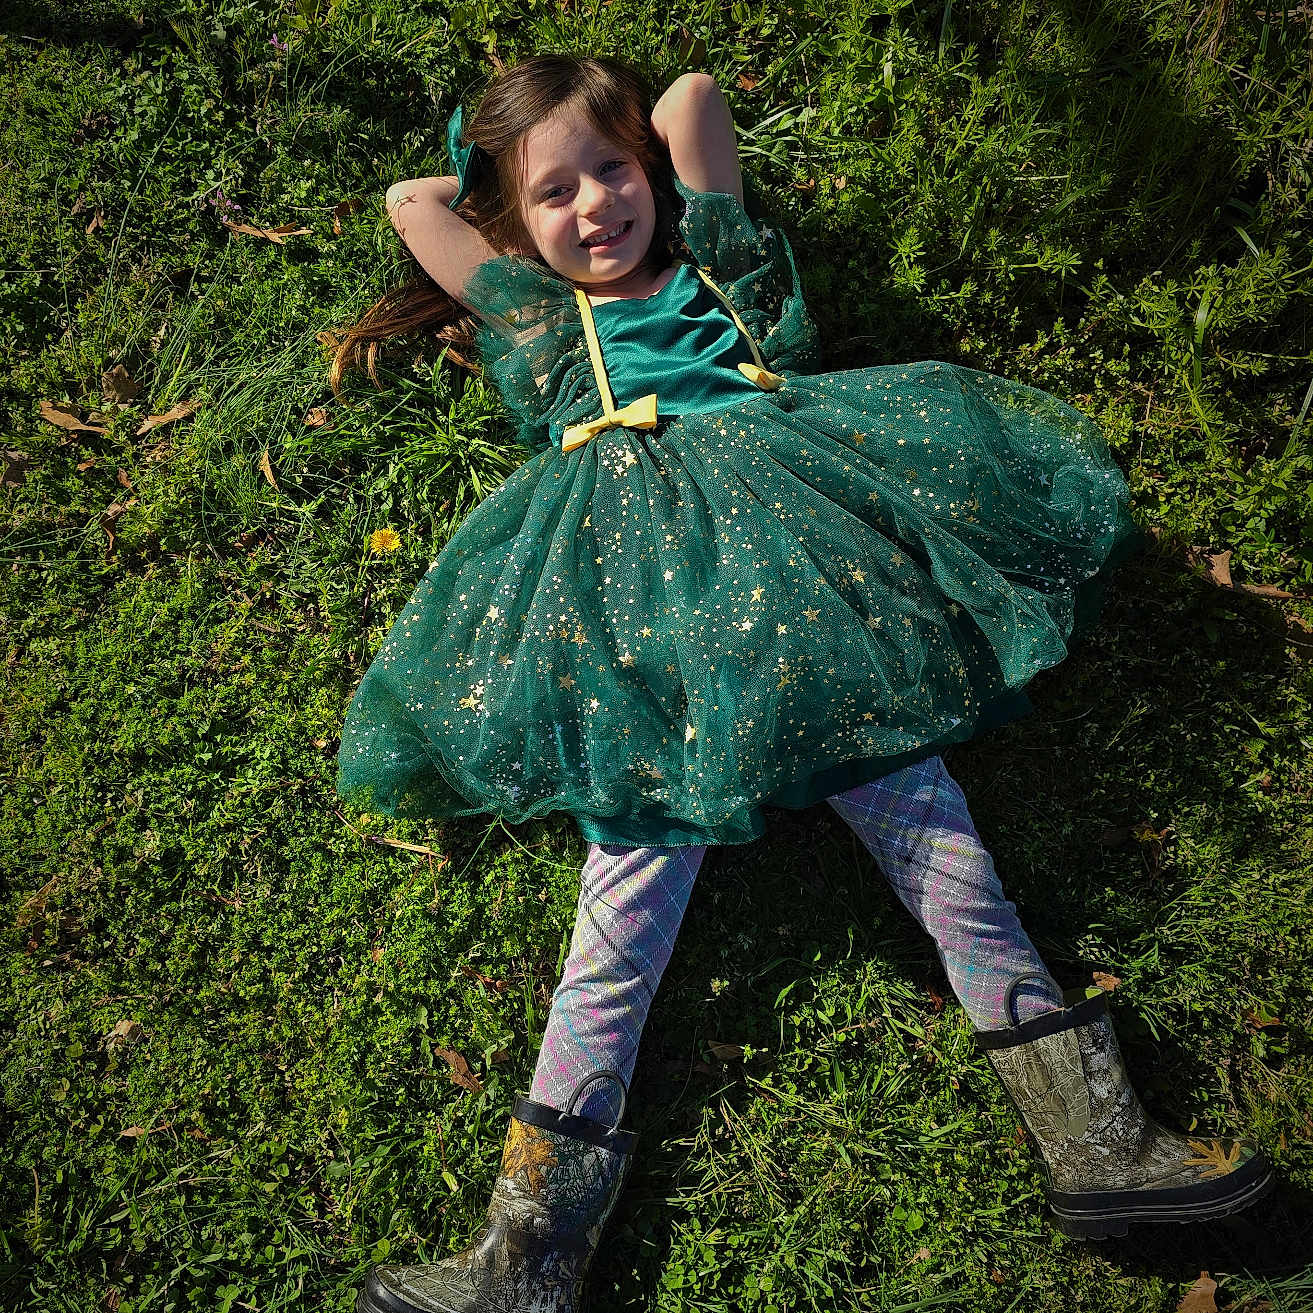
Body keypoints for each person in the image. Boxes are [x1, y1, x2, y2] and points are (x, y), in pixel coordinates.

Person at [329, 55, 1272, 1313]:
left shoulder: (722, 261)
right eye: (553, 196)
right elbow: (411, 205)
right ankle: (527, 1250)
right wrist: (489, 177)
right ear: (513, 228)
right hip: (646, 656)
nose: (596, 205)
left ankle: (1098, 1140)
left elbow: (693, 99)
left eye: (611, 172)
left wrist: (624, 148)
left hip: (819, 620)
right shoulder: (539, 320)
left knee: (942, 850)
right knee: (621, 907)